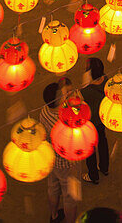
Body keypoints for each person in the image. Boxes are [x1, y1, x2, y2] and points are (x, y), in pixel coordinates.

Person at [39, 80, 79, 223]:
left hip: (51, 158)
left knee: (53, 187)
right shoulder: (64, 120)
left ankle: (54, 215)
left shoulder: (44, 111)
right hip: (66, 163)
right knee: (70, 198)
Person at [81, 57, 109, 185]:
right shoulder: (107, 80)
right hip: (103, 119)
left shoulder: (86, 91)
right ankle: (104, 168)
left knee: (90, 149)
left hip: (90, 123)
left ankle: (93, 175)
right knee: (102, 141)